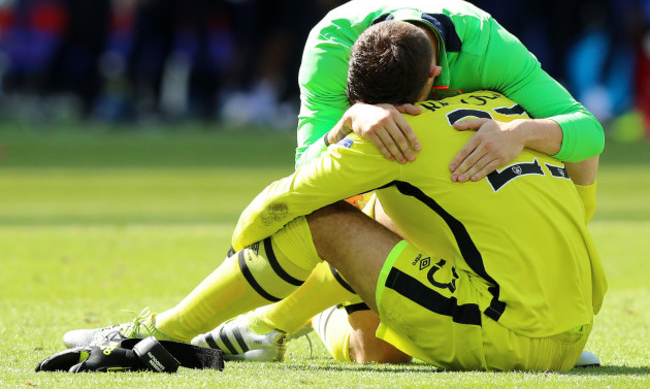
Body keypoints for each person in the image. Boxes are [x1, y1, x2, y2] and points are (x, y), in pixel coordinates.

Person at [61, 21, 606, 371]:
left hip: (511, 333)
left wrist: (336, 138)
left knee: (328, 219)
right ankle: (264, 328)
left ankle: (161, 333)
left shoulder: (391, 139)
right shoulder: (506, 105)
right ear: (438, 75)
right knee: (376, 349)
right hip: (576, 320)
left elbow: (263, 215)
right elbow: (588, 143)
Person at [199, 0, 607, 364]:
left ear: (437, 77)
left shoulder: (487, 49)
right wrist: (346, 124)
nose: (394, 121)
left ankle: (552, 299)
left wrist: (521, 132)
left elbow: (588, 130)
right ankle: (288, 318)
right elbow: (310, 172)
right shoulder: (329, 50)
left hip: (475, 199)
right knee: (374, 352)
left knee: (573, 151)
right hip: (398, 196)